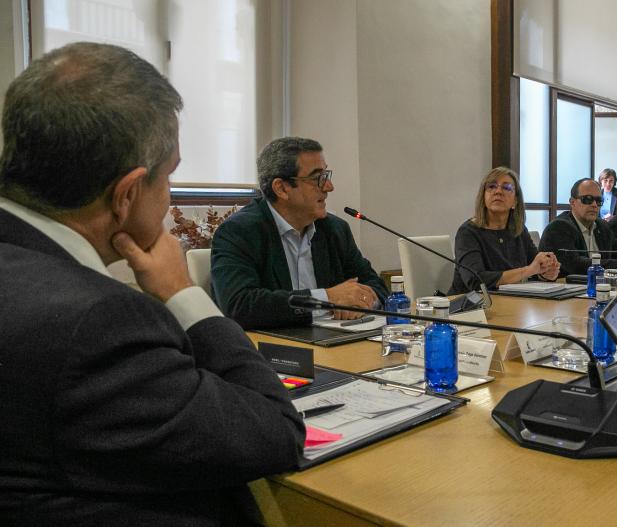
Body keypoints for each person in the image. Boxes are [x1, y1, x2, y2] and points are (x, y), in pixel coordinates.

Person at [0, 42, 304, 525]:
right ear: (126, 194)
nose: (167, 197)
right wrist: (183, 293)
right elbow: (273, 431)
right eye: (168, 178)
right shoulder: (98, 324)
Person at [212, 137, 389, 329]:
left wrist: (361, 301)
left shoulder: (334, 229)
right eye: (317, 179)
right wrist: (328, 298)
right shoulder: (239, 232)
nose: (329, 187)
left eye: (327, 176)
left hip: (333, 344)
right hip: (270, 350)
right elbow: (239, 305)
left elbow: (377, 286)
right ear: (281, 188)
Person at [450, 167, 560, 294]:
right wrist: (529, 270)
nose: (498, 191)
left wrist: (546, 272)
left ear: (515, 201)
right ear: (483, 197)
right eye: (492, 186)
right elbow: (475, 281)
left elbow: (535, 268)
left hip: (511, 301)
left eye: (506, 187)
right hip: (470, 308)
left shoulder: (518, 229)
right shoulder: (468, 232)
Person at [539, 178, 617, 277]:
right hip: (565, 291)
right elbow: (575, 265)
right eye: (587, 199)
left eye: (599, 201)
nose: (594, 205)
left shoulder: (602, 226)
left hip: (599, 287)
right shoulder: (559, 227)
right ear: (572, 202)